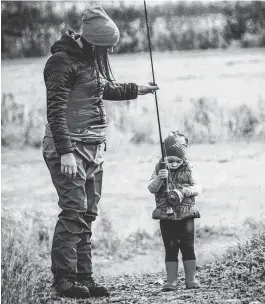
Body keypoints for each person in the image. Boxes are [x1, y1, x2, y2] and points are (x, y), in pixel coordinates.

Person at [43, 6, 159, 299]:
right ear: (93, 42)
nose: (108, 53)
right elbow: (55, 112)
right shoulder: (60, 63)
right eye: (106, 48)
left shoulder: (89, 59)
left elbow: (102, 88)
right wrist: (66, 151)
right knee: (73, 211)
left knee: (88, 213)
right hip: (68, 147)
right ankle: (64, 281)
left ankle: (84, 278)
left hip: (94, 147)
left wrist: (138, 89)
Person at [147, 131, 202, 291]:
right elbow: (151, 188)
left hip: (186, 214)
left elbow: (198, 187)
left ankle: (191, 279)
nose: (174, 164)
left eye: (178, 161)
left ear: (183, 158)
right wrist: (159, 179)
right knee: (170, 247)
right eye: (170, 161)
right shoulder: (159, 168)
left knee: (188, 246)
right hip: (166, 215)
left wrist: (186, 191)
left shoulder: (189, 167)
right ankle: (171, 281)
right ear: (165, 157)